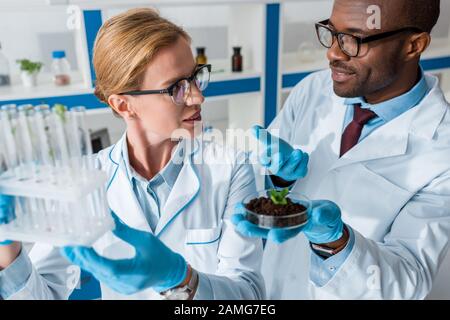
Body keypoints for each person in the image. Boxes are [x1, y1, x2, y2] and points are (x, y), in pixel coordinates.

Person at [0, 8, 265, 300]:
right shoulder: (83, 182)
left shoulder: (231, 169)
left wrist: (182, 279)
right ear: (124, 106)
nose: (198, 97)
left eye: (195, 77)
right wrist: (6, 247)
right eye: (177, 88)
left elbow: (250, 296)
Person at [233, 0, 450, 299]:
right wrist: (278, 180)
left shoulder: (442, 150)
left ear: (413, 45)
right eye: (332, 33)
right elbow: (261, 195)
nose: (333, 53)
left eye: (355, 40)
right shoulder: (313, 90)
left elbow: (407, 281)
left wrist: (334, 242)